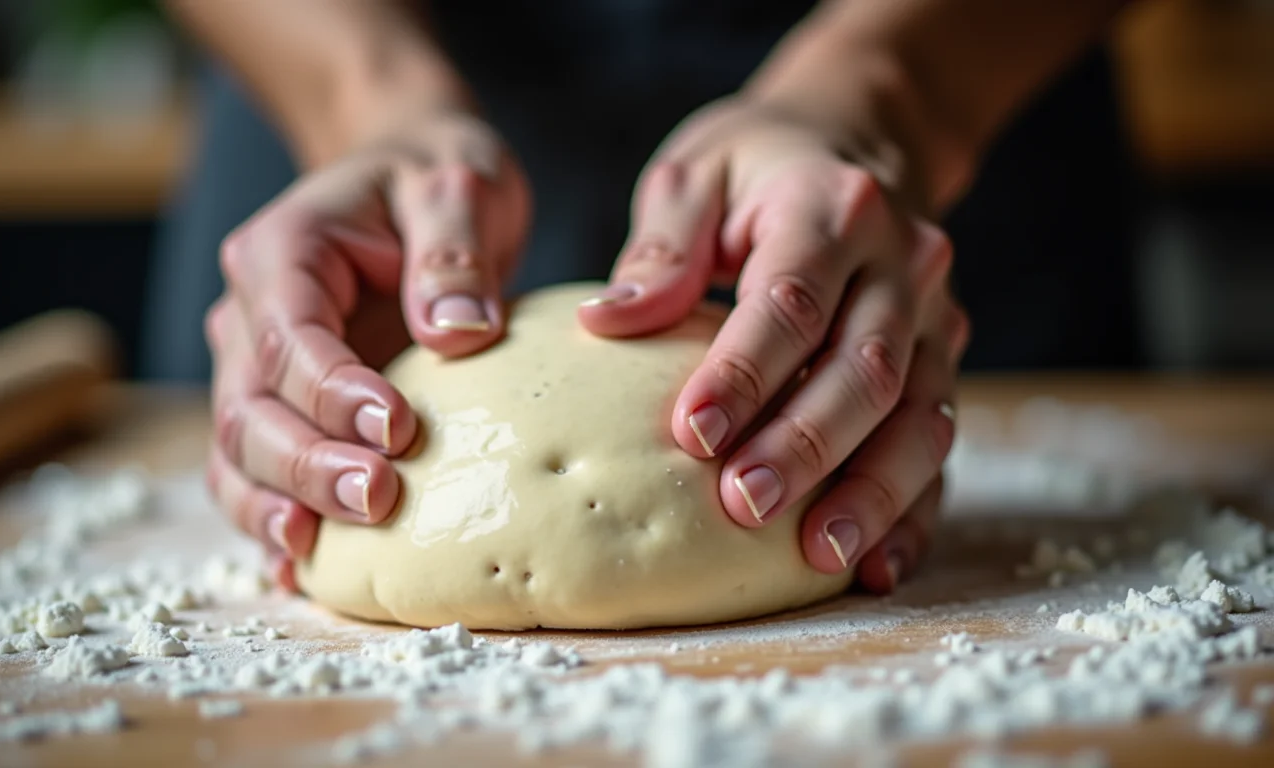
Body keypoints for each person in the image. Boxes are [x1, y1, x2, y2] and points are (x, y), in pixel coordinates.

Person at [153, 0, 1130, 594]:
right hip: (338, 119)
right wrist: (363, 98)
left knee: (845, 428)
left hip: (960, 84)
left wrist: (890, 92)